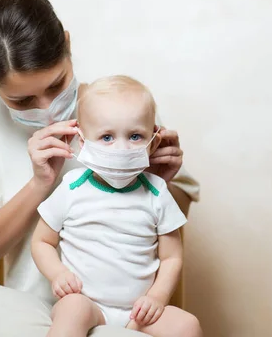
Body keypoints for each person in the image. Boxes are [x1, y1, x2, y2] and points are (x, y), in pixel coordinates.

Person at [0, 0, 200, 316]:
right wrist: (39, 184)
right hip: (36, 311)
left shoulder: (118, 106)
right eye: (22, 99)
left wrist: (156, 179)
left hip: (130, 313)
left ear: (67, 45)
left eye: (57, 84)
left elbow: (167, 225)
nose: (47, 107)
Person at [31, 76, 202, 337]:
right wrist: (58, 274)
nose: (121, 149)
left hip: (138, 313)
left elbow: (172, 257)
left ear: (153, 142)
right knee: (73, 309)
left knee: (188, 325)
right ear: (83, 142)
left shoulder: (157, 192)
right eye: (107, 137)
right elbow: (41, 241)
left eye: (135, 136)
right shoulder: (72, 187)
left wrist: (157, 297)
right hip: (87, 303)